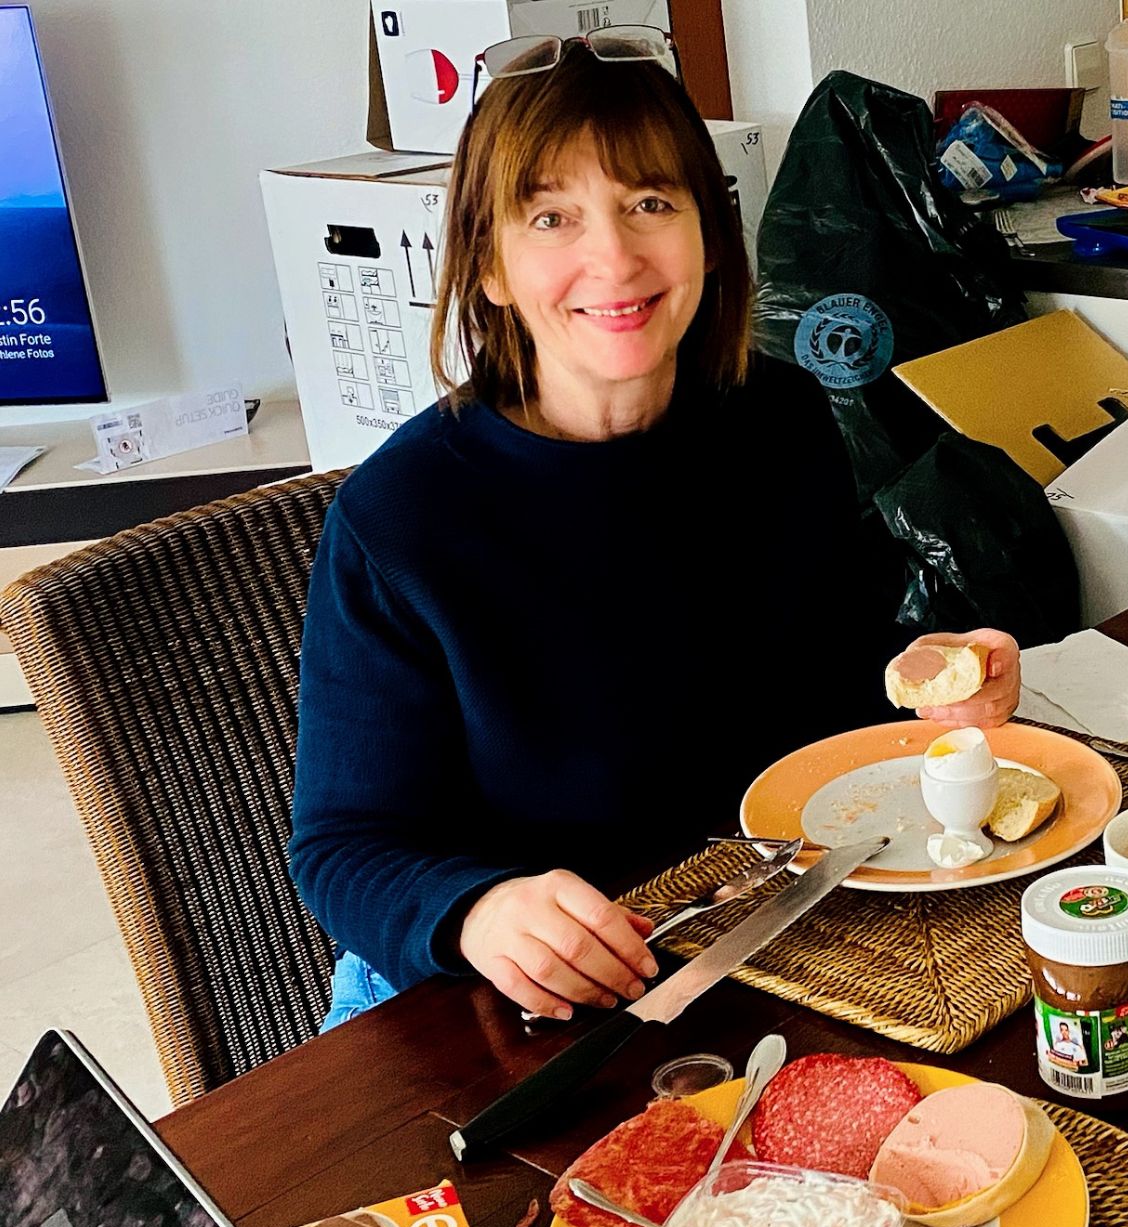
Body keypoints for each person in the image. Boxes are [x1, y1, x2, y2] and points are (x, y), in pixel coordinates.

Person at [288, 32, 1022, 1032]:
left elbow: (834, 676)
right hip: (507, 998)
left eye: (649, 203)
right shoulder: (402, 517)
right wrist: (479, 911)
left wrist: (929, 679)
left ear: (709, 230)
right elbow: (344, 847)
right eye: (552, 217)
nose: (615, 258)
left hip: (757, 930)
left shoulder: (780, 419)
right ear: (490, 264)